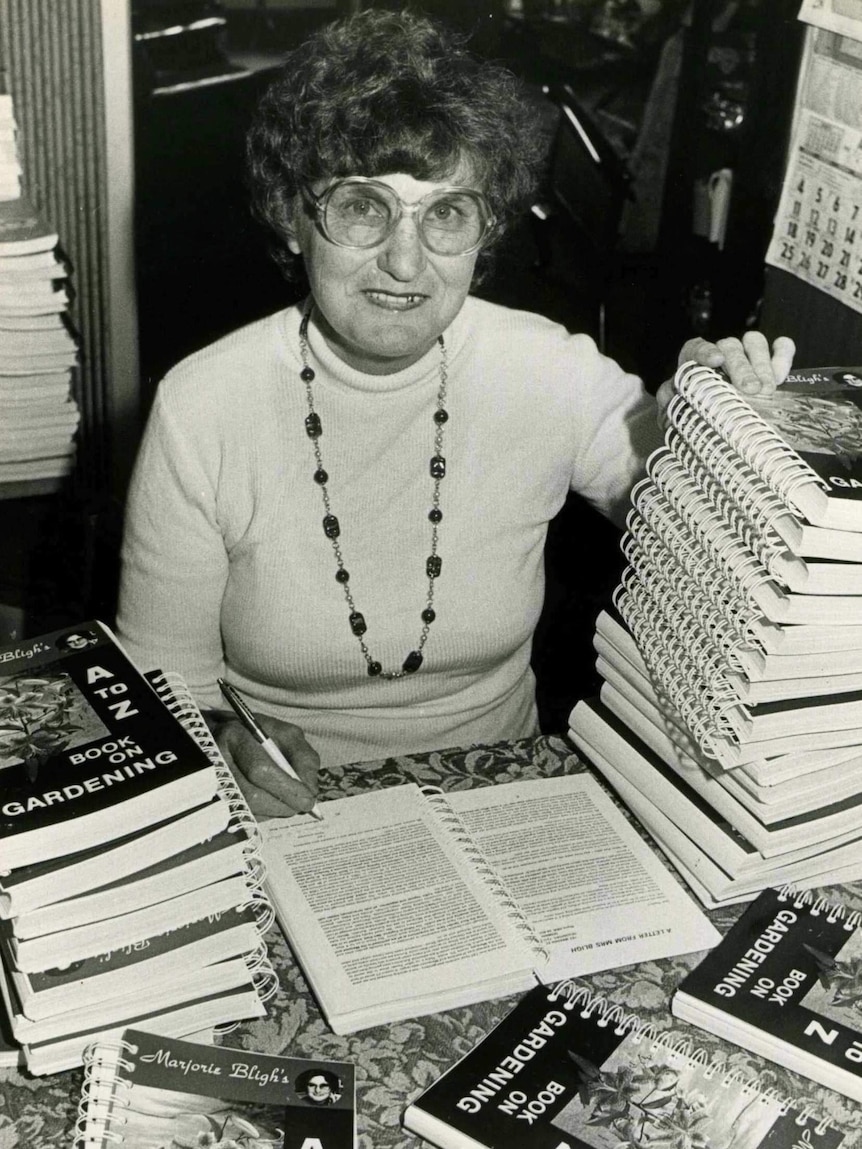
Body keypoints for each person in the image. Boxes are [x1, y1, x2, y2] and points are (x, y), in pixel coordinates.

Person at [116, 9, 795, 818]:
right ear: (295, 219)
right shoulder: (203, 406)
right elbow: (169, 691)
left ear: (486, 229)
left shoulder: (547, 370)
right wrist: (231, 739)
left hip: (506, 803)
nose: (406, 262)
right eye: (363, 207)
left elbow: (714, 537)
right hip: (294, 813)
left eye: (445, 214)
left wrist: (733, 426)